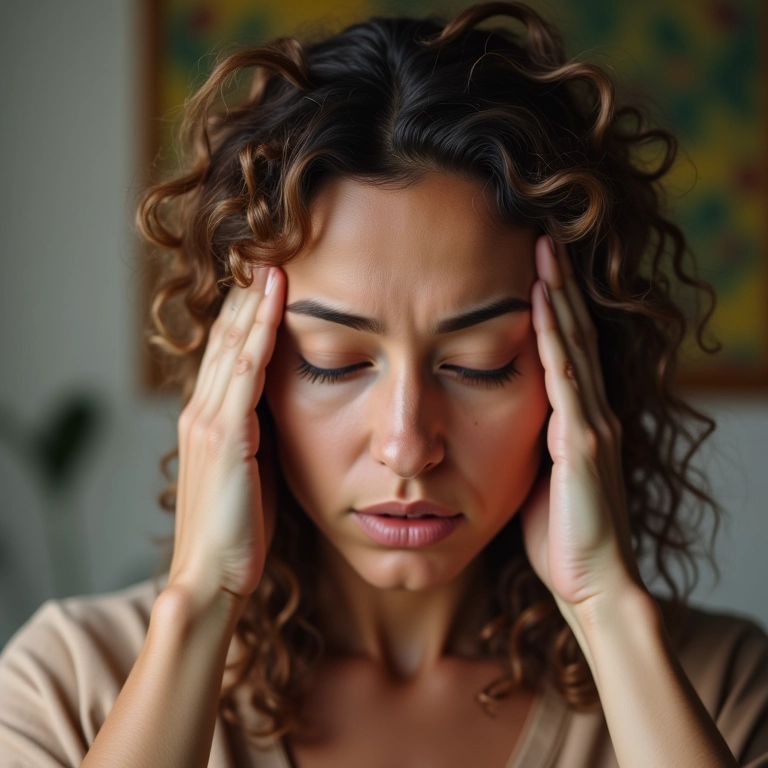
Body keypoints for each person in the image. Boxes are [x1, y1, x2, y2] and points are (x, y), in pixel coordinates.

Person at [1, 2, 767, 766]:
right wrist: (200, 605)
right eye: (333, 361)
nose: (406, 445)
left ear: (582, 371)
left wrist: (610, 615)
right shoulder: (68, 686)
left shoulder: (723, 691)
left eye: (481, 362)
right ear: (243, 379)